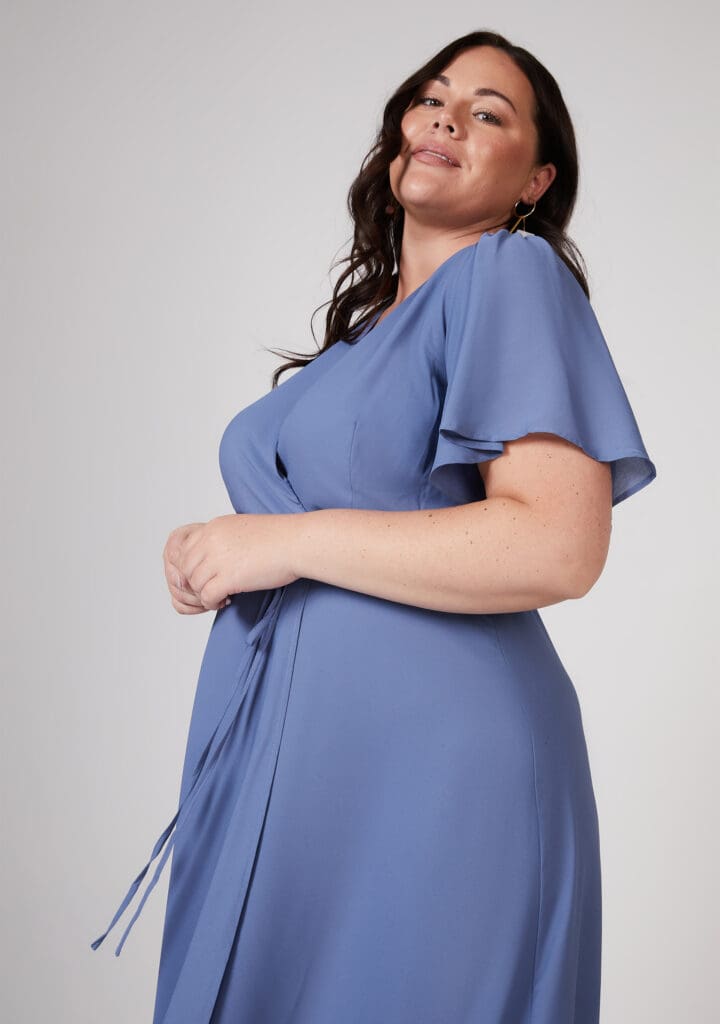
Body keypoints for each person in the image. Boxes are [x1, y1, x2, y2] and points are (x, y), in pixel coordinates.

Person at [90, 29, 657, 1024]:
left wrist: (283, 543)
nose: (447, 117)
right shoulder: (363, 342)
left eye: (490, 112)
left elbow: (557, 545)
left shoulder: (509, 274)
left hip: (432, 772)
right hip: (292, 760)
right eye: (433, 97)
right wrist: (219, 552)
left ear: (535, 181)